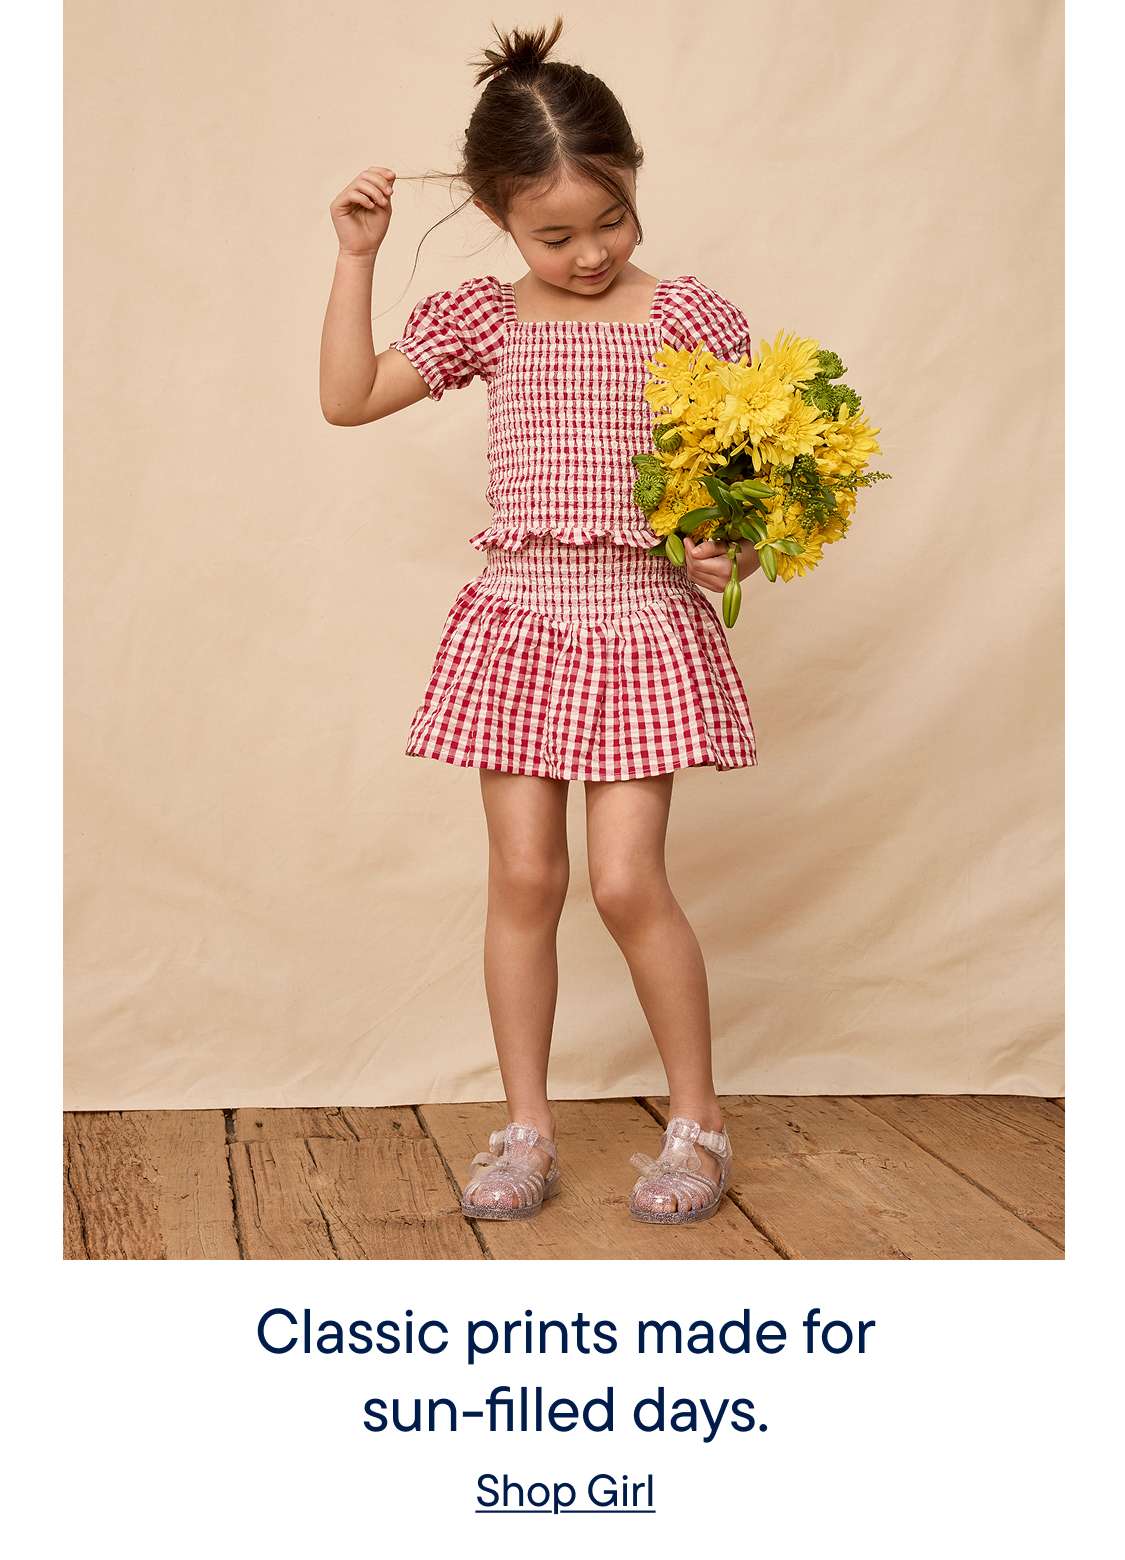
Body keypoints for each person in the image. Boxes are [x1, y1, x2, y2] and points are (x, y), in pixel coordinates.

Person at [320, 18, 759, 1228]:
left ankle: (697, 1124)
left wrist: (733, 549)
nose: (587, 253)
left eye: (609, 220)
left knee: (625, 882)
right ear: (498, 214)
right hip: (521, 620)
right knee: (523, 873)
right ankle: (525, 1130)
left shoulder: (692, 321)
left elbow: (741, 498)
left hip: (638, 622)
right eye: (553, 233)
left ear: (634, 181)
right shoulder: (484, 317)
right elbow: (348, 399)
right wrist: (360, 254)